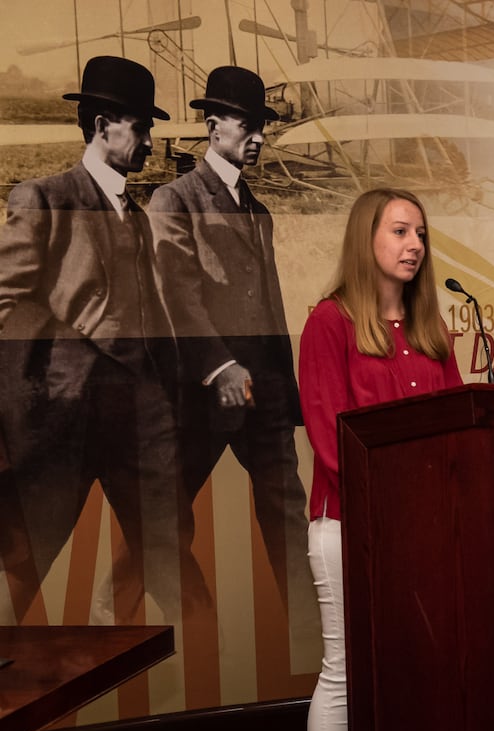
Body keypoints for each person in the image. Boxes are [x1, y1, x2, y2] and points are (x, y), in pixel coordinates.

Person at [297, 188, 462, 731]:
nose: (414, 244)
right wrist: (394, 505)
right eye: (399, 230)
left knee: (418, 663)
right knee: (346, 670)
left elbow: (460, 428)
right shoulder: (329, 323)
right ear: (367, 237)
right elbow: (329, 434)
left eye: (420, 231)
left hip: (426, 530)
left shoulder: (430, 330)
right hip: (350, 528)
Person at [0, 55, 188, 624]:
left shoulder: (134, 212)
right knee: (26, 561)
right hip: (61, 422)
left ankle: (203, 654)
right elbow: (5, 304)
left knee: (170, 549)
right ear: (104, 125)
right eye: (141, 126)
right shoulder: (44, 198)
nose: (150, 142)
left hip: (138, 422)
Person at [148, 65, 312, 628]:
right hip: (202, 396)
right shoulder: (174, 200)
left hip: (263, 394)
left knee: (290, 516)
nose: (260, 135)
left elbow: (270, 311)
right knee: (161, 515)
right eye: (249, 123)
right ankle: (113, 611)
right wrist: (218, 367)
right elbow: (175, 293)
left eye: (264, 124)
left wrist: (285, 393)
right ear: (215, 124)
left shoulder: (258, 212)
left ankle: (313, 634)